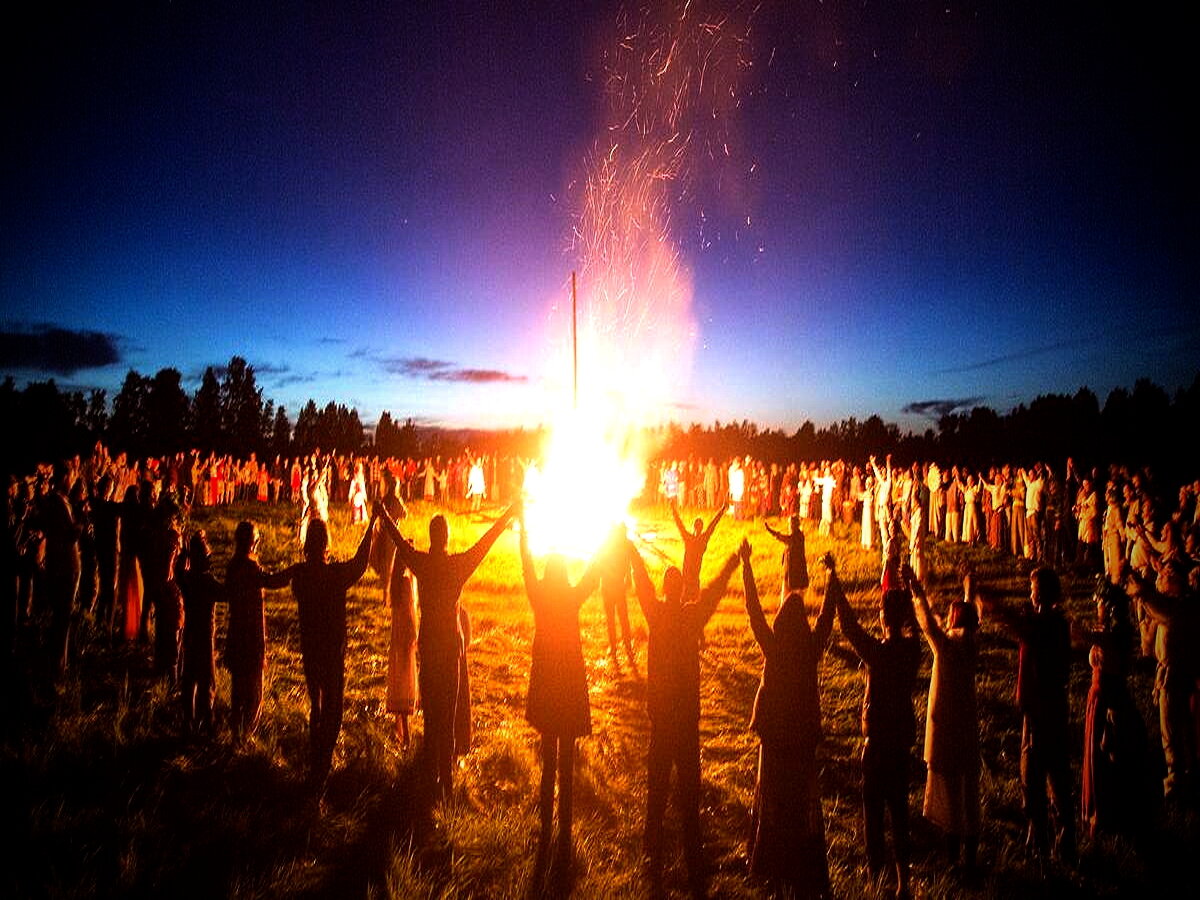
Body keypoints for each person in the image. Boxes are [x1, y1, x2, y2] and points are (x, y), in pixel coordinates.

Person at [375, 499, 519, 800]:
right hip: (450, 648)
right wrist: (508, 513)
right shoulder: (457, 566)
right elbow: (485, 543)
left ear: (431, 537)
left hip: (430, 647)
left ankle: (431, 781)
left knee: (431, 719)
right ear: (447, 538)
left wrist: (383, 513)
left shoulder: (423, 563)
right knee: (448, 716)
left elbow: (399, 542)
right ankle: (447, 788)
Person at [628, 535, 740, 894]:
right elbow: (715, 590)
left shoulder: (656, 613)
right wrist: (734, 562)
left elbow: (642, 582)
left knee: (657, 787)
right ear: (681, 592)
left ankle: (651, 847)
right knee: (689, 791)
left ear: (666, 590)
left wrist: (629, 548)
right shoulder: (692, 616)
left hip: (662, 716)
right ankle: (694, 855)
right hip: (686, 716)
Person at [741, 540, 834, 897]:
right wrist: (832, 578)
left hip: (775, 737)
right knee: (800, 802)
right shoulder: (810, 648)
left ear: (781, 622)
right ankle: (802, 867)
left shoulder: (774, 645)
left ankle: (771, 865)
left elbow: (752, 611)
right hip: (803, 738)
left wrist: (747, 565)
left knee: (772, 799)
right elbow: (826, 619)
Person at [830, 557, 921, 899]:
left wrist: (836, 581)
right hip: (900, 744)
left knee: (872, 816)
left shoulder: (879, 653)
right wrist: (911, 593)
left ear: (883, 617)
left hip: (877, 743)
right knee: (899, 812)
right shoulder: (912, 651)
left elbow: (850, 626)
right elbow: (912, 627)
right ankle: (902, 883)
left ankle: (876, 880)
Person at [518, 512, 600, 869]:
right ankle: (564, 829)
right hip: (567, 690)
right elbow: (592, 578)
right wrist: (608, 543)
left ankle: (547, 824)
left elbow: (525, 566)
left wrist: (524, 527)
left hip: (547, 690)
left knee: (549, 759)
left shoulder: (541, 597)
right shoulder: (570, 597)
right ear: (564, 573)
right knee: (564, 760)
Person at [983, 567, 1077, 866]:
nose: (1029, 590)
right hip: (1048, 706)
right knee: (1054, 772)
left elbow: (1018, 626)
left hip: (1041, 709)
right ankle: (1059, 839)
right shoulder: (1052, 622)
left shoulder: (1047, 625)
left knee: (1034, 774)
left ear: (1044, 592)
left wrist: (990, 601)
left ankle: (1044, 843)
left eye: (1033, 586)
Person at [280, 513, 376, 791]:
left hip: (310, 648)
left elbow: (278, 579)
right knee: (333, 706)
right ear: (326, 544)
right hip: (332, 650)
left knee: (316, 703)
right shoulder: (333, 575)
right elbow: (360, 563)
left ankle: (316, 758)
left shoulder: (300, 575)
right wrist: (371, 526)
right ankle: (322, 763)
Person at [911, 563, 982, 877]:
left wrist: (917, 592)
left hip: (946, 726)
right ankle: (969, 853)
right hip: (966, 726)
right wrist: (969, 588)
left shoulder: (948, 647)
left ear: (955, 620)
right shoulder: (971, 641)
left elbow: (928, 625)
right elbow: (970, 615)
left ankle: (954, 859)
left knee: (951, 795)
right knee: (968, 793)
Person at [1076, 573, 1149, 839]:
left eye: (1099, 602)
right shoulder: (1106, 632)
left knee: (1107, 754)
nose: (1096, 606)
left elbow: (1094, 642)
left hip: (1109, 697)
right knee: (1101, 754)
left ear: (1108, 606)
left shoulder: (1116, 636)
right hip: (1098, 696)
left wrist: (1080, 633)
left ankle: (1109, 814)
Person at [224, 521, 291, 741]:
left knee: (238, 690)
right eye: (256, 538)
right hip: (250, 638)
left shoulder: (232, 566)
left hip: (236, 635)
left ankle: (236, 734)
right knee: (253, 692)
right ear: (252, 542)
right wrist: (293, 572)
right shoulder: (250, 568)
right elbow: (270, 581)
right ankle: (245, 736)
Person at [178, 531, 223, 737]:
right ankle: (207, 721)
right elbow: (228, 593)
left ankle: (188, 720)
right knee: (207, 681)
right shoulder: (207, 582)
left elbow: (178, 571)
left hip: (189, 634)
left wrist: (184, 554)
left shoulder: (187, 579)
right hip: (205, 637)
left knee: (189, 679)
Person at [597, 522, 636, 671]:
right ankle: (623, 649)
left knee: (613, 620)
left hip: (609, 587)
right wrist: (628, 579)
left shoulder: (609, 545)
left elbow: (599, 563)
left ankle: (617, 649)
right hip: (615, 587)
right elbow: (627, 564)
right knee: (621, 619)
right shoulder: (623, 546)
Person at [670, 496, 726, 597]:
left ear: (694, 527)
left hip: (687, 579)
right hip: (694, 579)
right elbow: (713, 525)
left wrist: (673, 509)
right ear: (701, 528)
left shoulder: (689, 539)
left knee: (684, 605)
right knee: (694, 607)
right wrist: (722, 509)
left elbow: (680, 525)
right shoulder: (702, 540)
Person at [764, 513, 809, 598]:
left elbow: (784, 539)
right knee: (787, 594)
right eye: (790, 524)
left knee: (794, 596)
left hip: (796, 573)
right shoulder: (795, 536)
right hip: (789, 572)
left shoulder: (798, 536)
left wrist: (771, 531)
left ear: (796, 525)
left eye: (791, 524)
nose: (790, 526)